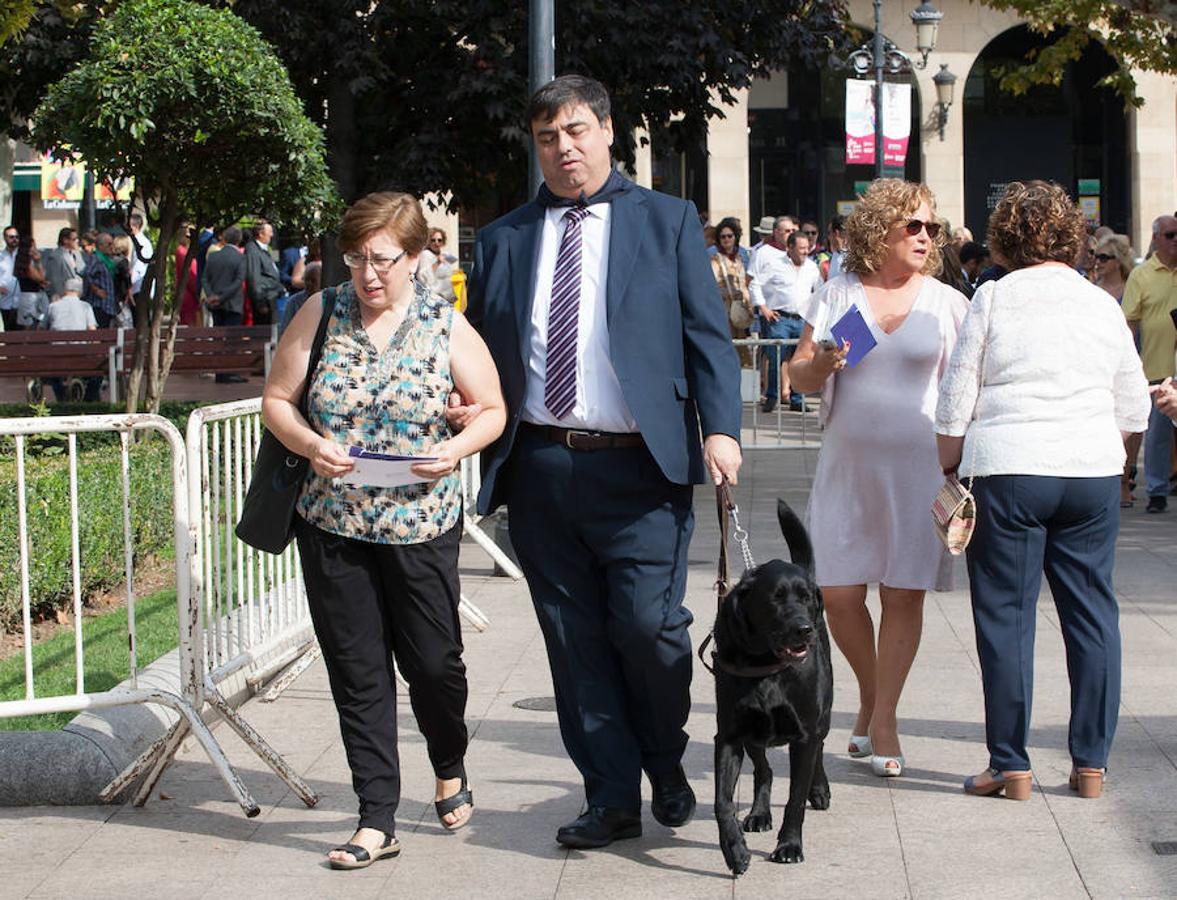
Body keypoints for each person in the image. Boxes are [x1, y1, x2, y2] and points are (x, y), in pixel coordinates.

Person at [464, 74, 742, 849]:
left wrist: (721, 430)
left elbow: (707, 338)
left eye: (577, 131)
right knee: (573, 640)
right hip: (542, 467)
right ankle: (610, 797)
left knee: (649, 628)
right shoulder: (505, 238)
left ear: (609, 131)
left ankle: (664, 756)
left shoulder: (667, 221)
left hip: (641, 468)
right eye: (548, 137)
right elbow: (483, 350)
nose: (564, 148)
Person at [262, 191, 505, 868]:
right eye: (356, 258)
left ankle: (448, 762)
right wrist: (311, 444)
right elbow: (276, 401)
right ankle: (376, 817)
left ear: (418, 255)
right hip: (333, 524)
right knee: (358, 671)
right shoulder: (321, 311)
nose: (368, 275)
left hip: (420, 525)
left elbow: (492, 409)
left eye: (383, 260)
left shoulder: (443, 322)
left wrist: (456, 448)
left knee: (433, 665)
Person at [935, 180, 1150, 801]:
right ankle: (1091, 765)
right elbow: (1132, 406)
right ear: (1072, 237)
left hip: (1007, 467)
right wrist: (1118, 463)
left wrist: (948, 465)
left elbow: (957, 398)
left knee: (1005, 616)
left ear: (1003, 237)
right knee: (1092, 615)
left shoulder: (994, 297)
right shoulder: (1100, 304)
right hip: (1089, 469)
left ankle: (1011, 764)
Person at [787, 178, 969, 778]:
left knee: (902, 592)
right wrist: (823, 362)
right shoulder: (839, 293)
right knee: (837, 594)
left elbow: (963, 390)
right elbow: (799, 378)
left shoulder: (946, 302)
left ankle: (883, 717)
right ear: (879, 228)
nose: (925, 237)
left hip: (920, 470)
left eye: (931, 228)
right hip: (848, 466)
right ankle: (871, 695)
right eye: (912, 225)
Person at [1122, 215, 1177, 513]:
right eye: (1170, 235)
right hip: (1156, 365)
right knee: (1157, 435)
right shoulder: (1142, 276)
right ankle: (1156, 490)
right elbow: (1129, 324)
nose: (1175, 239)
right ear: (1156, 238)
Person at [748, 220, 821, 412]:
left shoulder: (812, 267)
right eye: (801, 248)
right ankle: (772, 397)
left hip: (802, 320)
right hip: (780, 319)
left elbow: (819, 291)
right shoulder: (774, 264)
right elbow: (754, 284)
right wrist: (763, 308)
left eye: (807, 248)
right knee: (775, 359)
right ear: (789, 248)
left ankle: (797, 398)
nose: (805, 252)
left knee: (800, 361)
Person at [45, 276, 100, 401]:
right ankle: (88, 399)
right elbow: (93, 332)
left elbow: (41, 330)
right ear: (79, 292)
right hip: (80, 355)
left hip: (57, 356)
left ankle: (61, 397)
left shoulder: (53, 306)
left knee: (54, 373)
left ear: (65, 290)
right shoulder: (86, 306)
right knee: (98, 373)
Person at [710, 218, 754, 367]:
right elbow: (713, 284)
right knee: (726, 348)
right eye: (723, 236)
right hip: (723, 310)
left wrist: (748, 304)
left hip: (739, 308)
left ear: (735, 237)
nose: (727, 239)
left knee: (742, 349)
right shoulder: (715, 258)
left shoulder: (741, 257)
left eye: (730, 236)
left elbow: (744, 284)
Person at [244, 218, 285, 325]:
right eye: (269, 232)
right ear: (261, 234)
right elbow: (253, 277)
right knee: (265, 333)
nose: (271, 235)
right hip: (265, 299)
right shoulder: (253, 250)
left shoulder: (263, 249)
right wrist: (260, 303)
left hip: (271, 297)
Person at [277, 260, 321, 337]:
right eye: (307, 280)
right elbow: (284, 330)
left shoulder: (328, 299)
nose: (309, 283)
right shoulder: (294, 302)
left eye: (313, 280)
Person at [14, 235, 50, 329]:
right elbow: (41, 277)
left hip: (29, 296)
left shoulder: (22, 261)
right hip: (31, 298)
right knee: (31, 327)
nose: (35, 249)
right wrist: (38, 262)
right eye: (33, 246)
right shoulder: (27, 263)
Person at [42, 227, 85, 300]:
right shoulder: (56, 256)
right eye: (74, 239)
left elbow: (81, 270)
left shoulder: (76, 254)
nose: (77, 241)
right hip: (64, 296)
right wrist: (61, 298)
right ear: (65, 240)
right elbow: (56, 281)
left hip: (77, 295)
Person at [418, 226, 459, 302]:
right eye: (433, 240)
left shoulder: (444, 254)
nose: (436, 243)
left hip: (448, 297)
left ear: (443, 242)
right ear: (428, 242)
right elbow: (423, 276)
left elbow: (455, 260)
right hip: (433, 298)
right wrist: (437, 263)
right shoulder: (425, 255)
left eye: (439, 240)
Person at [128, 211, 153, 299]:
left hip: (139, 285)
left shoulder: (141, 242)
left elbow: (137, 265)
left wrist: (130, 283)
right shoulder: (136, 240)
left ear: (135, 226)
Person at [0, 225, 18, 331]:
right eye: (11, 237)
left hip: (21, 300)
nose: (14, 239)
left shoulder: (22, 255)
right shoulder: (0, 256)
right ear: (5, 238)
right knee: (9, 332)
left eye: (16, 237)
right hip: (5, 301)